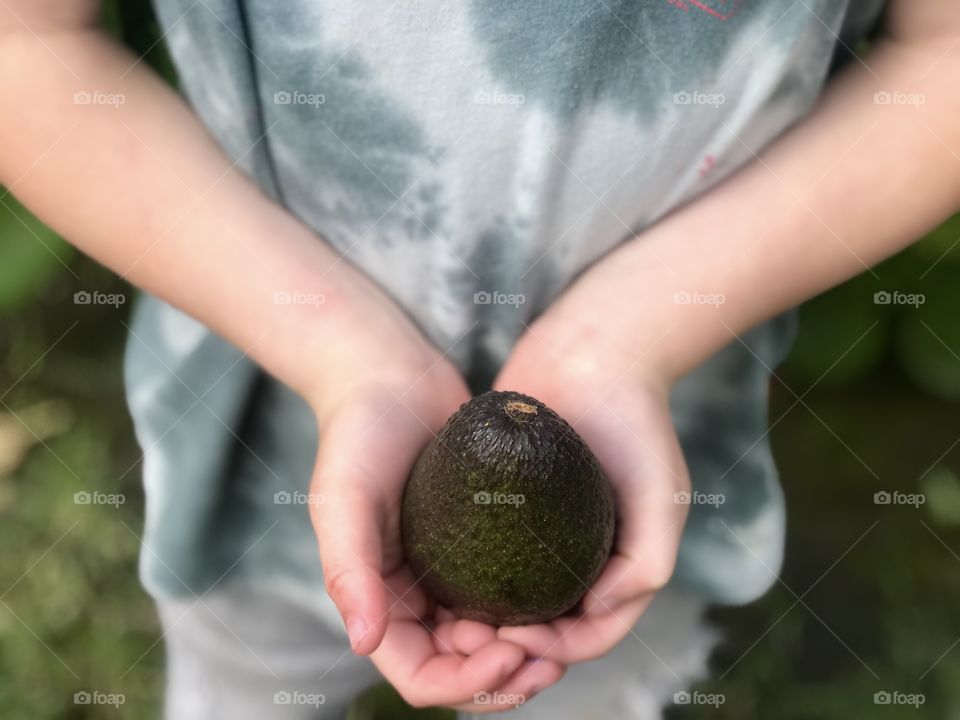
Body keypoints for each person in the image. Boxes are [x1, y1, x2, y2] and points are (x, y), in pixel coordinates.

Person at [2, 0, 957, 717]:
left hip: (647, 442)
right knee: (249, 676)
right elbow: (29, 41)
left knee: (601, 679)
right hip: (258, 408)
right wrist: (337, 350)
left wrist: (635, 332)